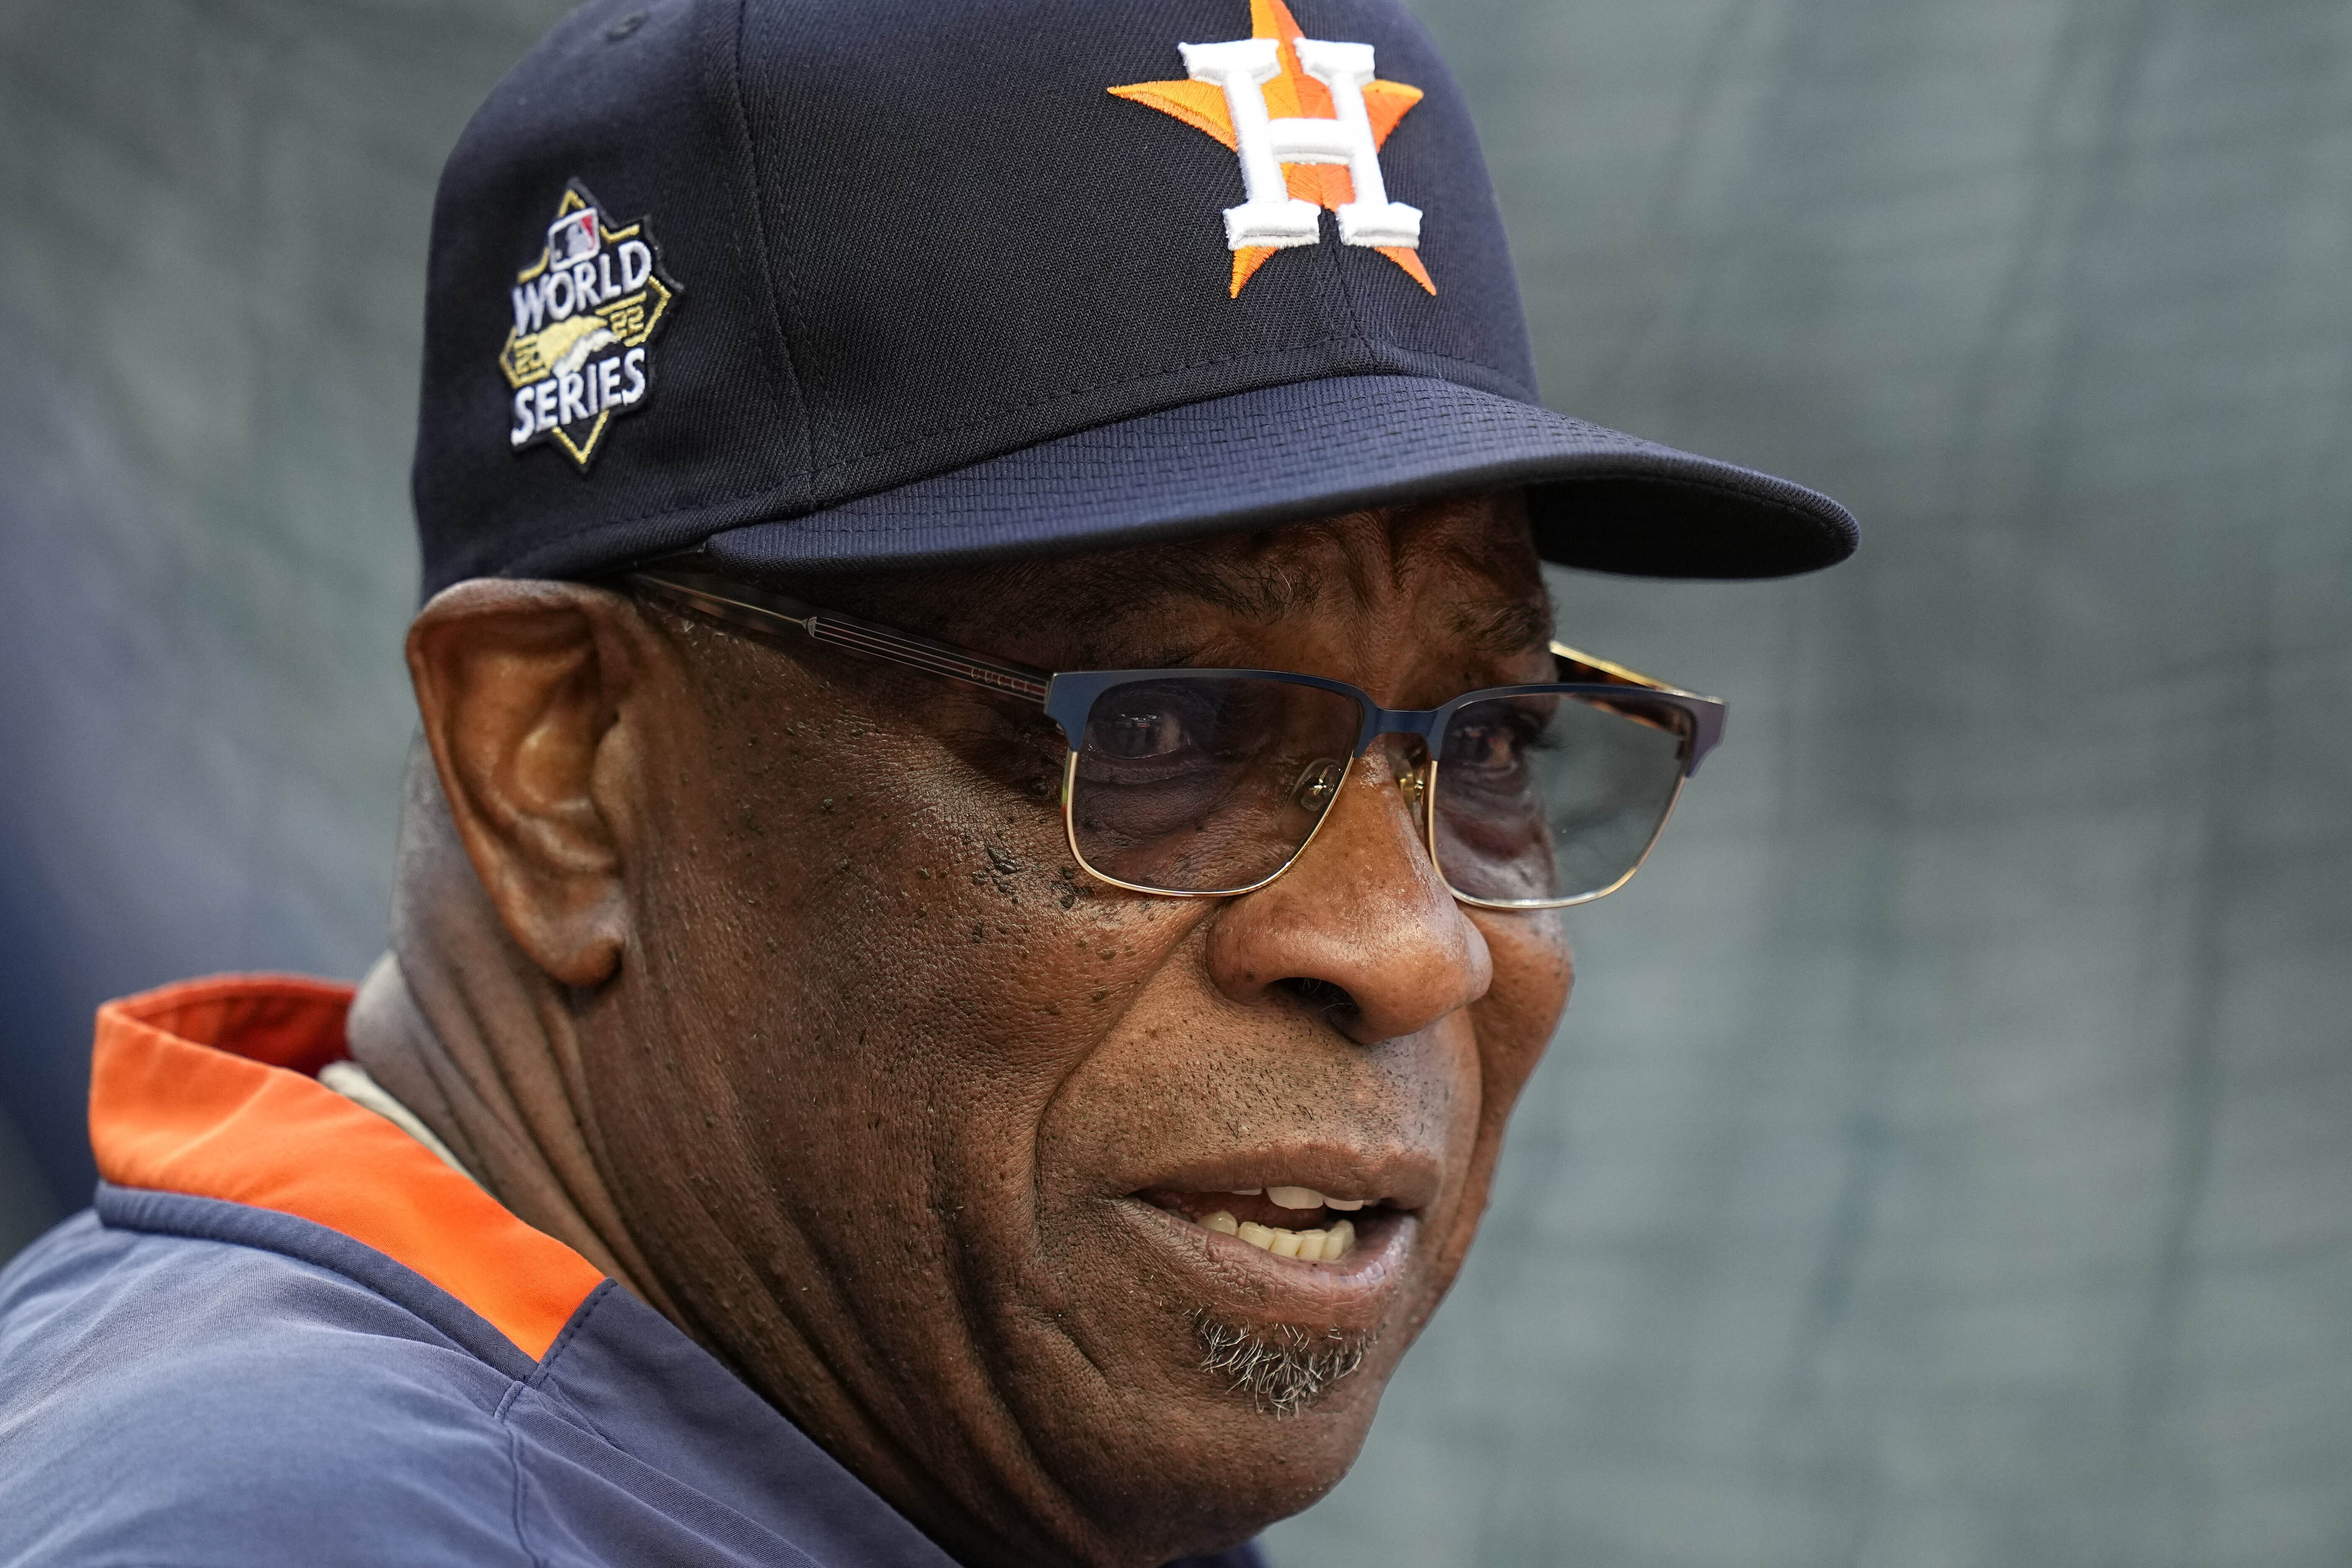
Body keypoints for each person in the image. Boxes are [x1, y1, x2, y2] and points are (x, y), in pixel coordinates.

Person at [0, 0, 1854, 1563]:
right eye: (1161, 731)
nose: (1412, 947)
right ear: (554, 762)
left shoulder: (872, 1457)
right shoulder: (286, 1522)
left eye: (1496, 740)